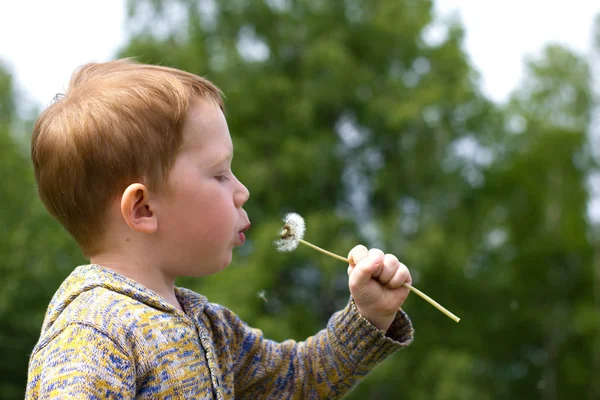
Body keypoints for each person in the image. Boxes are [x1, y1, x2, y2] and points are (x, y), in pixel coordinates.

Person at [25, 59, 414, 399]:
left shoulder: (211, 327)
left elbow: (297, 382)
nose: (242, 191)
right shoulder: (92, 335)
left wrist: (368, 315)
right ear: (143, 209)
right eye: (219, 174)